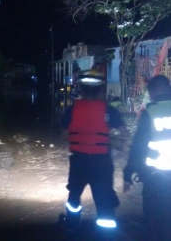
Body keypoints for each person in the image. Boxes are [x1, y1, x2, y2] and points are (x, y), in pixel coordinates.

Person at [61, 69, 129, 232]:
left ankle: (71, 227)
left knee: (74, 195)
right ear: (100, 89)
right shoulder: (109, 110)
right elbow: (125, 134)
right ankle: (107, 233)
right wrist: (109, 141)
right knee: (104, 198)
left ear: (81, 88)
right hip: (101, 163)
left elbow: (65, 136)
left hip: (78, 162)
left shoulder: (71, 110)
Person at [123, 75, 171, 240]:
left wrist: (128, 172)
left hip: (155, 177)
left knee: (154, 220)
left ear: (156, 90)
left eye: (150, 91)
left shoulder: (150, 112)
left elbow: (138, 146)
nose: (150, 95)